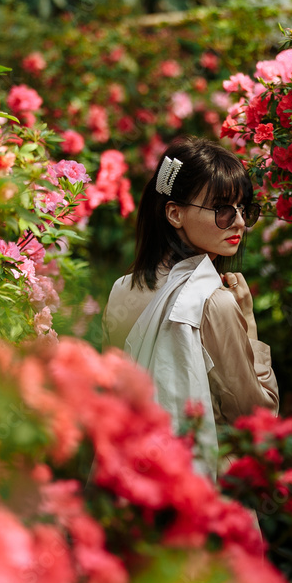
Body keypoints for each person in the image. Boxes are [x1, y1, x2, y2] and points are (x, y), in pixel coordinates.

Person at [103, 136, 279, 477]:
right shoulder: (215, 301)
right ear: (174, 212)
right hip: (205, 490)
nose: (240, 223)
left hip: (134, 486)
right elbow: (257, 420)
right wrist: (249, 323)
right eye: (223, 210)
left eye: (246, 210)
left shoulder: (120, 290)